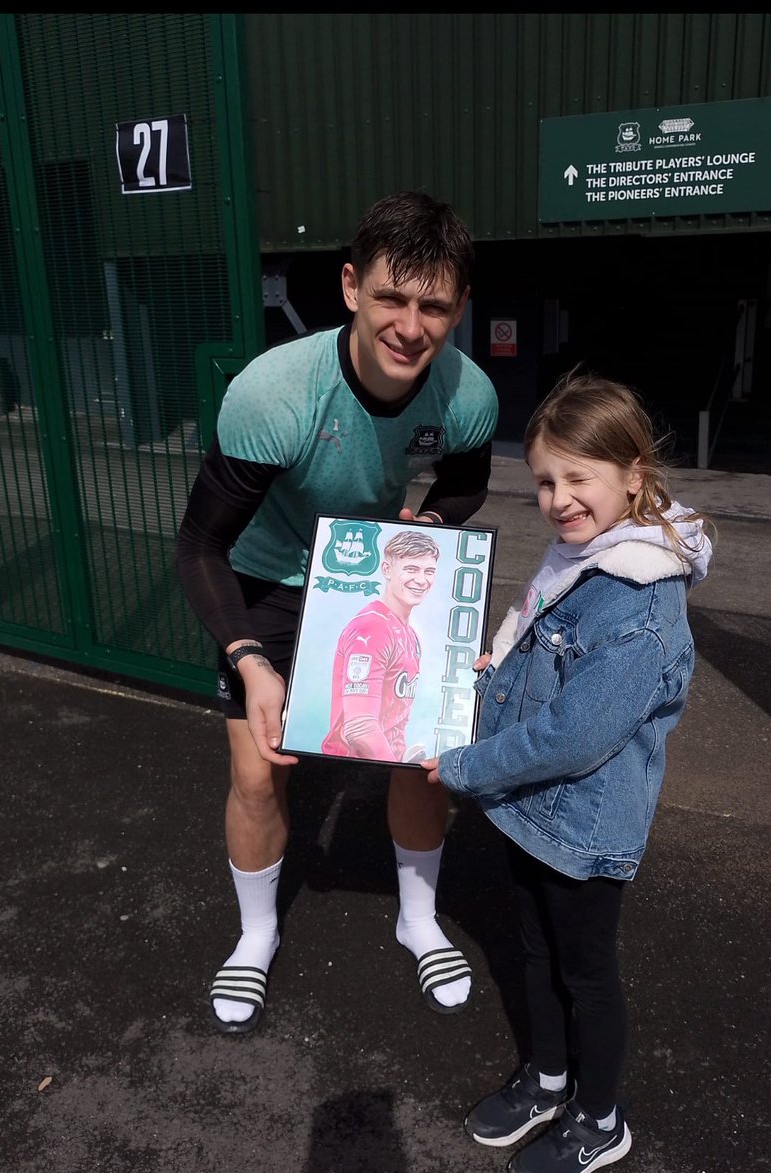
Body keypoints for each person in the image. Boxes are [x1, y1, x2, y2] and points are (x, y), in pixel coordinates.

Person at [174, 190, 498, 1034]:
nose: (410, 325)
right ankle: (255, 935)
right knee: (258, 769)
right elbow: (199, 547)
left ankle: (416, 917)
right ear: (352, 287)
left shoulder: (467, 394)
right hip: (270, 577)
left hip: (375, 571)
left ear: (458, 307)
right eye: (391, 297)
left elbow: (464, 485)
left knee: (417, 753)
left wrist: (421, 529)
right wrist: (249, 658)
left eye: (433, 305)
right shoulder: (275, 394)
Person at [420, 368, 713, 1173]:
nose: (558, 498)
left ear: (634, 478)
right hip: (530, 814)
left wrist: (460, 765)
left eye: (578, 478)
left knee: (584, 970)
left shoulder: (639, 603)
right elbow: (537, 658)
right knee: (533, 948)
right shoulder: (578, 559)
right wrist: (488, 673)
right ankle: (547, 1079)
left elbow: (575, 738)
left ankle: (599, 1118)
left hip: (582, 826)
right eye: (544, 480)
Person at [321, 528, 440, 762]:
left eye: (429, 571)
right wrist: (397, 770)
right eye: (411, 569)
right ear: (387, 570)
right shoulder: (373, 628)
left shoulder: (409, 634)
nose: (421, 580)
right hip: (353, 766)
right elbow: (359, 728)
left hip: (382, 763)